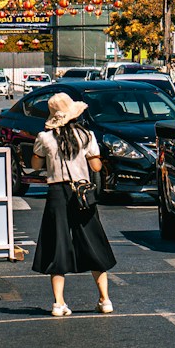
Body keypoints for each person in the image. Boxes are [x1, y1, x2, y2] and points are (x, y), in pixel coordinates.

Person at [31, 93, 118, 316]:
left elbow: (35, 164)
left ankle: (59, 303)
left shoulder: (44, 137)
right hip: (82, 192)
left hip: (57, 193)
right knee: (92, 240)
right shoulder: (86, 135)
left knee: (57, 243)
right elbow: (96, 167)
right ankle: (105, 299)